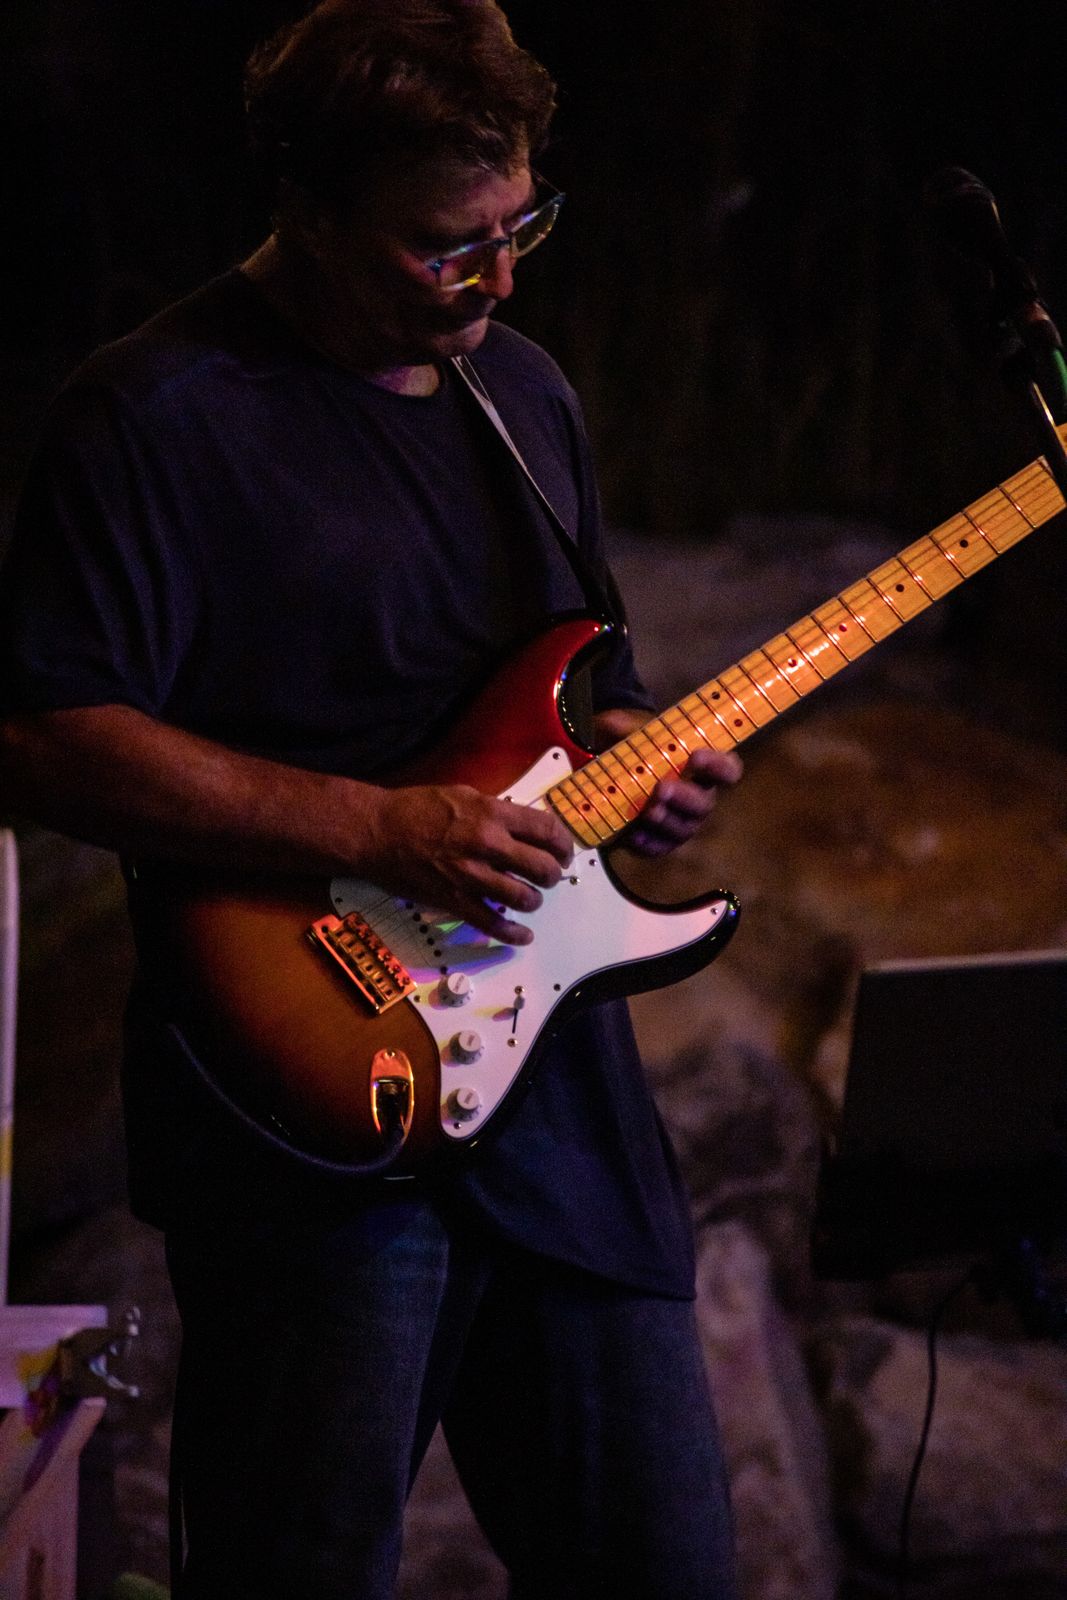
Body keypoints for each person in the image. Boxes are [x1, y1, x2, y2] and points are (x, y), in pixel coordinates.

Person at [0, 2, 743, 1594]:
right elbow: (47, 738)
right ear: (311, 206)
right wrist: (379, 829)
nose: (499, 278)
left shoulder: (523, 396)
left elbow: (577, 683)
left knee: (665, 1564)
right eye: (443, 245)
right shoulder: (155, 416)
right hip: (312, 1104)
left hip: (562, 1098)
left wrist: (639, 770)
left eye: (521, 224)